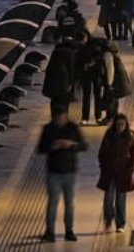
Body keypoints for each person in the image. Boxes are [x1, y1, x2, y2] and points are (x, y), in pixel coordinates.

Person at [37, 103, 86, 242]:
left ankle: (69, 230)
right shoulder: (48, 129)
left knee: (69, 203)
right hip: (54, 171)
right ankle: (50, 232)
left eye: (62, 117)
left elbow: (84, 145)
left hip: (70, 171)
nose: (60, 120)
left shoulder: (72, 128)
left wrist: (71, 144)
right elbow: (40, 149)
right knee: (53, 202)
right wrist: (52, 146)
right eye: (58, 118)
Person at [97, 113, 134, 234]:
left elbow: (133, 155)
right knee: (108, 199)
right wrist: (103, 166)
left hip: (123, 173)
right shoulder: (109, 136)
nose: (120, 127)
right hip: (109, 172)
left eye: (122, 124)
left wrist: (130, 168)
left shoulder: (129, 138)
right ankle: (108, 220)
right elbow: (101, 152)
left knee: (120, 200)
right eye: (118, 124)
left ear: (126, 125)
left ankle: (120, 224)